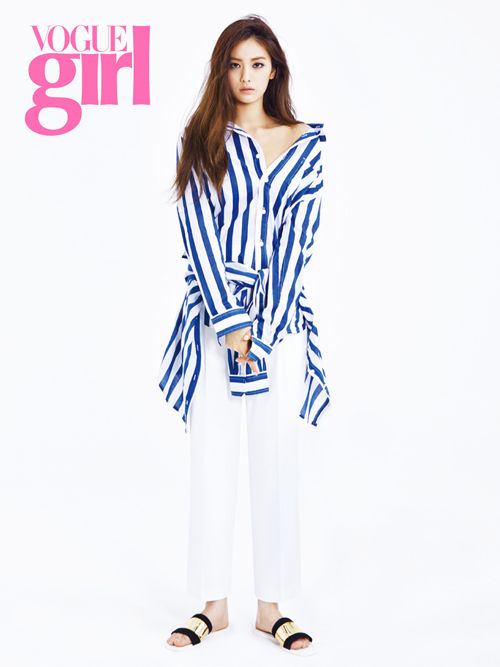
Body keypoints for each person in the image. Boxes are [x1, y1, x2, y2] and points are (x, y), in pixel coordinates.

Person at [157, 14, 331, 655]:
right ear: (221, 72)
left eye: (257, 63)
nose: (246, 76)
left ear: (275, 68)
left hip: (280, 324)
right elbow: (197, 231)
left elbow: (299, 236)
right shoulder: (202, 138)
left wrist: (268, 324)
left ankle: (272, 607)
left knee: (276, 457)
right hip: (212, 319)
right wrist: (230, 323)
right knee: (212, 456)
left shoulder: (305, 143)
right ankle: (213, 605)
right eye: (235, 64)